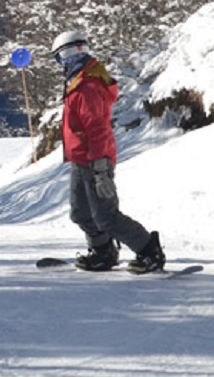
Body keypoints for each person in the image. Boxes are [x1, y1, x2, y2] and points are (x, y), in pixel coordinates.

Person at [52, 29, 165, 273]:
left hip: (95, 160)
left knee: (105, 216)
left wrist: (101, 167)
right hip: (81, 159)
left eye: (59, 58)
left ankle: (148, 250)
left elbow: (97, 128)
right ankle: (103, 251)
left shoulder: (87, 86)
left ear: (69, 53)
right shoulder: (78, 82)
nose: (59, 64)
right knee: (80, 213)